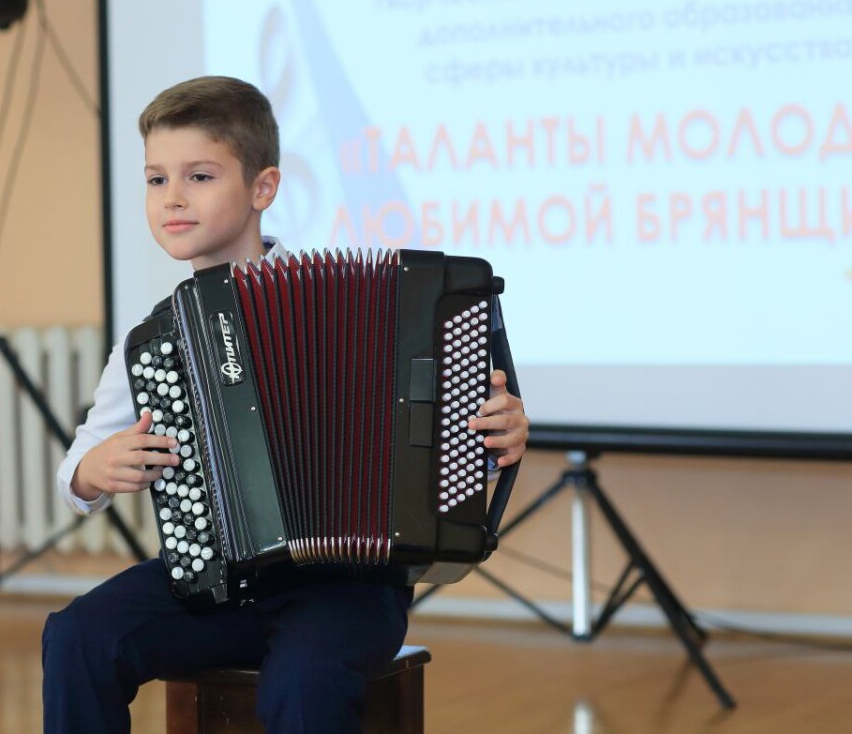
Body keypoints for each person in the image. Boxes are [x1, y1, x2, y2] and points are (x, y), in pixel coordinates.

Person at [42, 75, 529, 734]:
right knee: (77, 636)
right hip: (210, 586)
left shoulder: (364, 307)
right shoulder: (153, 341)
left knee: (303, 685)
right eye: (157, 179)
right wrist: (96, 468)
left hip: (349, 591)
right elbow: (76, 474)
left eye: (201, 176)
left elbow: (457, 435)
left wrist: (499, 435)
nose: (173, 198)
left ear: (262, 188)